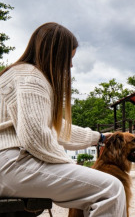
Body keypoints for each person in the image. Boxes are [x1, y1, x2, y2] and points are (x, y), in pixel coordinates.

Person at [0, 22, 126, 216]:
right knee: (110, 189)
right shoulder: (32, 78)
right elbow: (35, 137)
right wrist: (66, 162)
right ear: (55, 54)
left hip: (8, 165)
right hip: (11, 164)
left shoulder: (18, 73)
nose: (71, 65)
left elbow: (55, 127)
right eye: (69, 57)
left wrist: (99, 137)